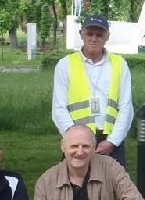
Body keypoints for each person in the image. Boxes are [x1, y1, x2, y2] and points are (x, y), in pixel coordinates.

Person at [52, 14, 133, 166]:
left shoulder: (119, 64)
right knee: (75, 187)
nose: (94, 38)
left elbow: (126, 107)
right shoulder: (65, 65)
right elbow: (59, 108)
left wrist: (112, 141)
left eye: (99, 34)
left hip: (110, 141)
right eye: (89, 34)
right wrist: (76, 140)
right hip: (77, 143)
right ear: (81, 34)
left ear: (107, 36)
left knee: (112, 188)